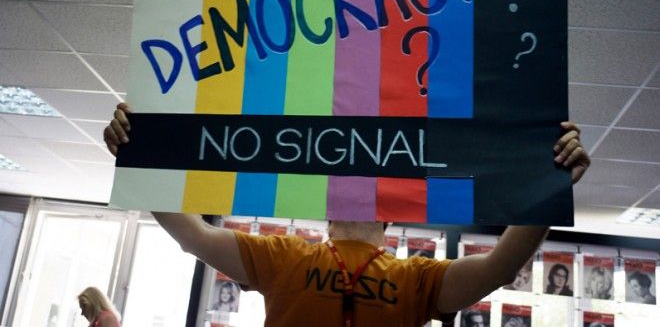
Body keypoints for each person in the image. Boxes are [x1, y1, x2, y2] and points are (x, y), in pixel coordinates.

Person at [104, 103, 590, 326]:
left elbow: (499, 268)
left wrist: (548, 187)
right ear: (327, 209)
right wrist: (137, 153)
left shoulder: (417, 279)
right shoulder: (280, 256)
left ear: (390, 219)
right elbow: (191, 236)